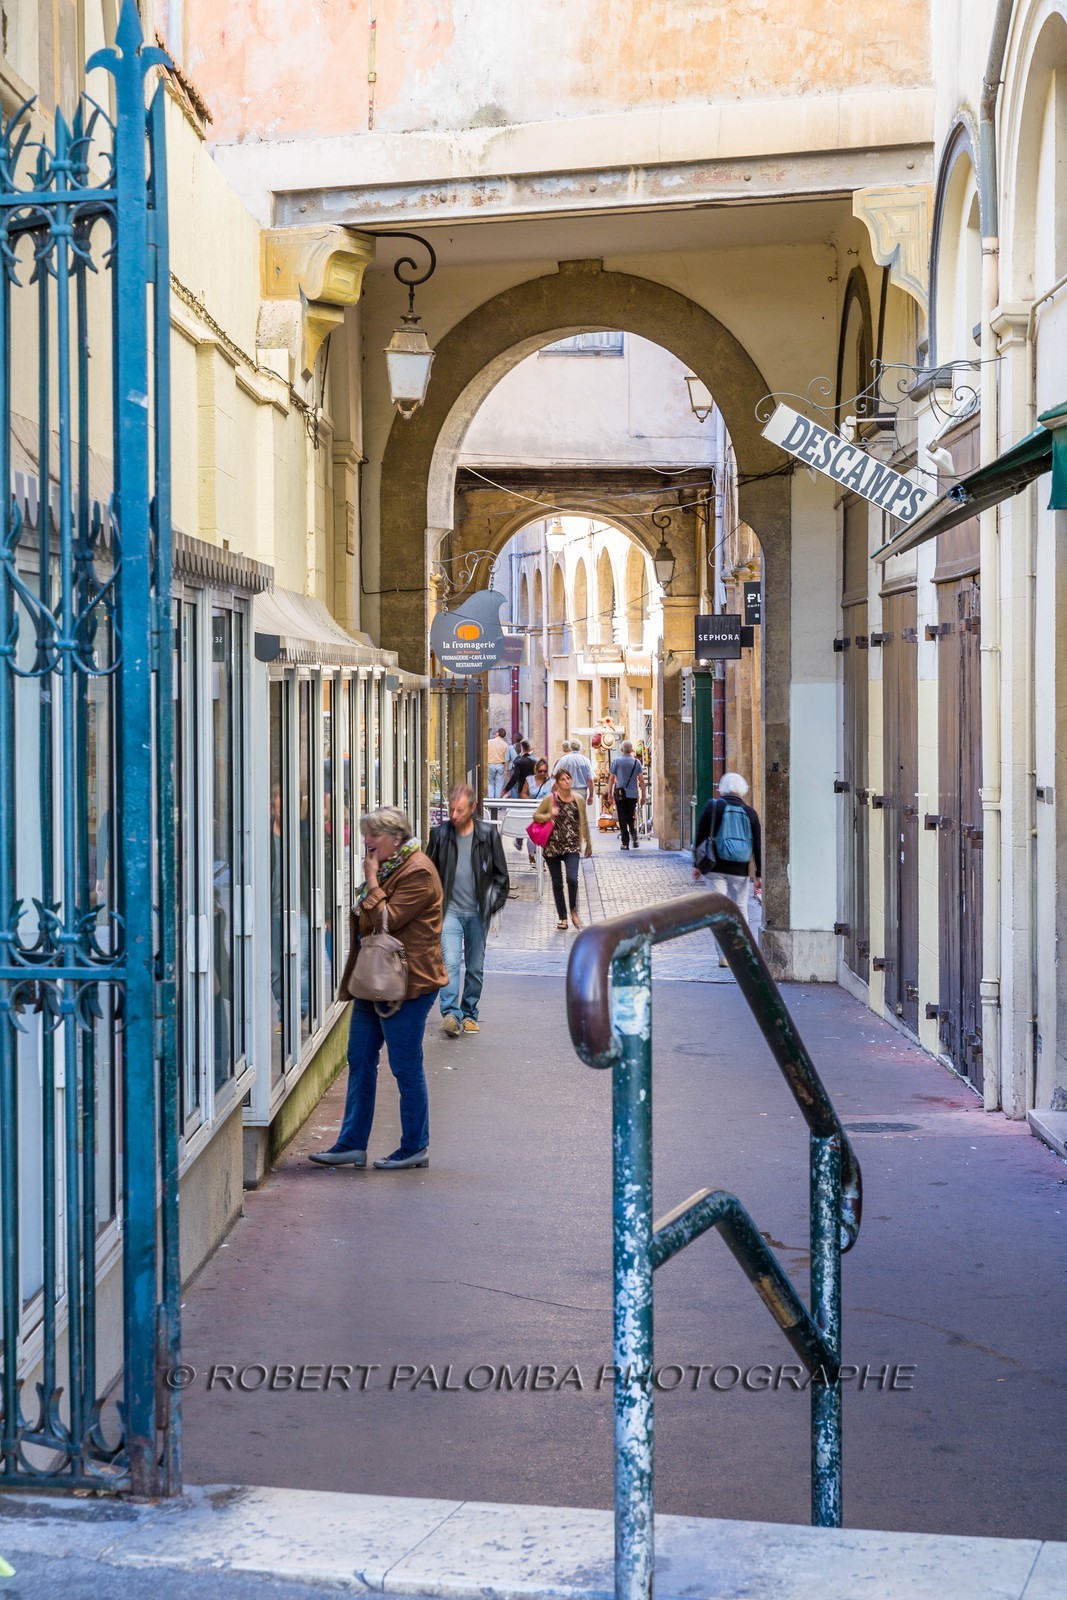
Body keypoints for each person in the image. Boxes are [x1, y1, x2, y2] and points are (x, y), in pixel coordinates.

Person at [310, 807, 446, 1170]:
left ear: (396, 838)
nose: (366, 842)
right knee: (359, 1059)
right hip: (375, 980)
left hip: (408, 984)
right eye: (365, 833)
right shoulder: (392, 867)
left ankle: (415, 1146)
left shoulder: (417, 870)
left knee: (404, 1065)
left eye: (373, 835)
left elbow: (387, 921)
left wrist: (371, 879)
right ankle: (351, 1143)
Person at [427, 784, 509, 1039]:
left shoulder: (488, 834)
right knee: (449, 961)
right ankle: (451, 1014)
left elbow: (501, 877)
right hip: (449, 909)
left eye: (460, 811)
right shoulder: (440, 835)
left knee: (475, 966)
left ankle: (470, 1012)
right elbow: (428, 874)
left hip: (477, 912)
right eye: (451, 810)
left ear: (473, 809)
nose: (454, 816)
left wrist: (491, 905)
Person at [693, 772, 762, 968]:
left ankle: (723, 954)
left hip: (714, 866)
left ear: (722, 788)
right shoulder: (750, 812)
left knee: (719, 909)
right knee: (740, 908)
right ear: (742, 789)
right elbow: (757, 844)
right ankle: (740, 952)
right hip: (740, 869)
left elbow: (700, 836)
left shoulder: (713, 806)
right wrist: (759, 873)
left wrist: (697, 865)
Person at [533, 766, 593, 931]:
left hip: (571, 846)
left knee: (572, 879)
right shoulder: (549, 799)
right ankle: (563, 917)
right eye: (563, 779)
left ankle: (574, 911)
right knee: (557, 882)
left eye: (568, 779)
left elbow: (584, 822)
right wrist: (549, 815)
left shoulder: (578, 799)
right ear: (557, 783)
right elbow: (536, 816)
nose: (567, 782)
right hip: (552, 847)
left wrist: (588, 843)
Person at [608, 740, 647, 851]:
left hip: (620, 793)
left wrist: (610, 793)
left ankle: (625, 843)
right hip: (632, 794)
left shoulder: (616, 761)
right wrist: (643, 795)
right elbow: (641, 780)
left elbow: (611, 778)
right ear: (631, 750)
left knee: (622, 816)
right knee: (630, 815)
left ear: (621, 749)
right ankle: (634, 834)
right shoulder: (636, 762)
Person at [522, 758, 554, 863]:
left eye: (545, 771)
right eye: (540, 771)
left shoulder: (551, 782)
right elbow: (523, 793)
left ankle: (543, 860)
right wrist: (529, 801)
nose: (542, 773)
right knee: (532, 834)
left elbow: (556, 795)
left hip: (545, 810)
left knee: (545, 835)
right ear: (536, 770)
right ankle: (532, 855)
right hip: (532, 809)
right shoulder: (529, 779)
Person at [487, 727, 509, 799]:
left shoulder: (489, 742)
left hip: (490, 764)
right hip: (500, 765)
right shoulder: (505, 745)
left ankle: (491, 800)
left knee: (490, 783)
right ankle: (497, 801)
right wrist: (507, 769)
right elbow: (506, 758)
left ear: (497, 733)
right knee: (499, 784)